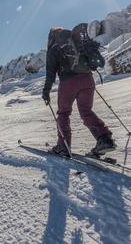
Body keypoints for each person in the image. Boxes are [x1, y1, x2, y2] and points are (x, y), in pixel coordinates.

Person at [41, 27, 116, 156]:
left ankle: (63, 146)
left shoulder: (54, 49)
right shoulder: (77, 42)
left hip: (68, 83)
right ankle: (104, 139)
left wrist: (46, 91)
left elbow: (50, 74)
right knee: (86, 111)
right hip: (87, 79)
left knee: (63, 113)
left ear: (52, 37)